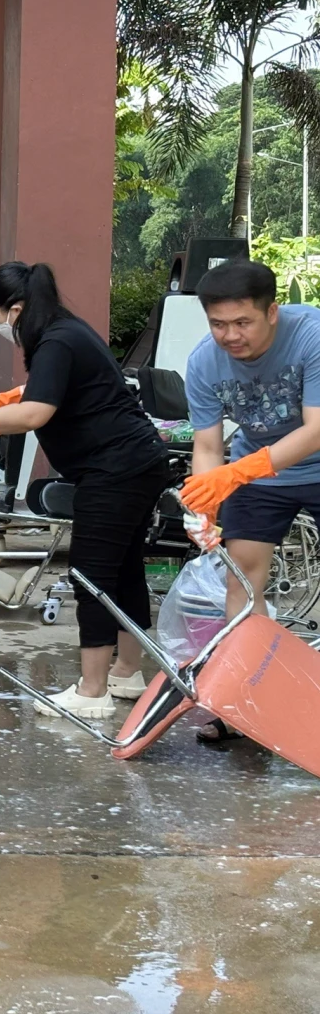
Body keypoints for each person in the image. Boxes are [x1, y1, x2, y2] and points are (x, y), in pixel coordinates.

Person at [0, 261, 170, 719]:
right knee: (122, 569)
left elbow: (34, 413)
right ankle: (126, 672)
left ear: (17, 309)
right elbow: (36, 391)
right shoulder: (65, 332)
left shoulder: (57, 340)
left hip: (116, 468)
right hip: (134, 461)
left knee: (91, 574)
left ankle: (93, 691)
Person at [180, 259, 320, 743]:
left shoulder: (312, 335)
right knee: (241, 577)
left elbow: (316, 429)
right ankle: (246, 702)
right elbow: (207, 446)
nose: (230, 336)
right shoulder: (202, 361)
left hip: (303, 461)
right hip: (258, 476)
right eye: (218, 324)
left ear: (272, 312)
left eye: (243, 323)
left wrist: (238, 472)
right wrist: (203, 505)